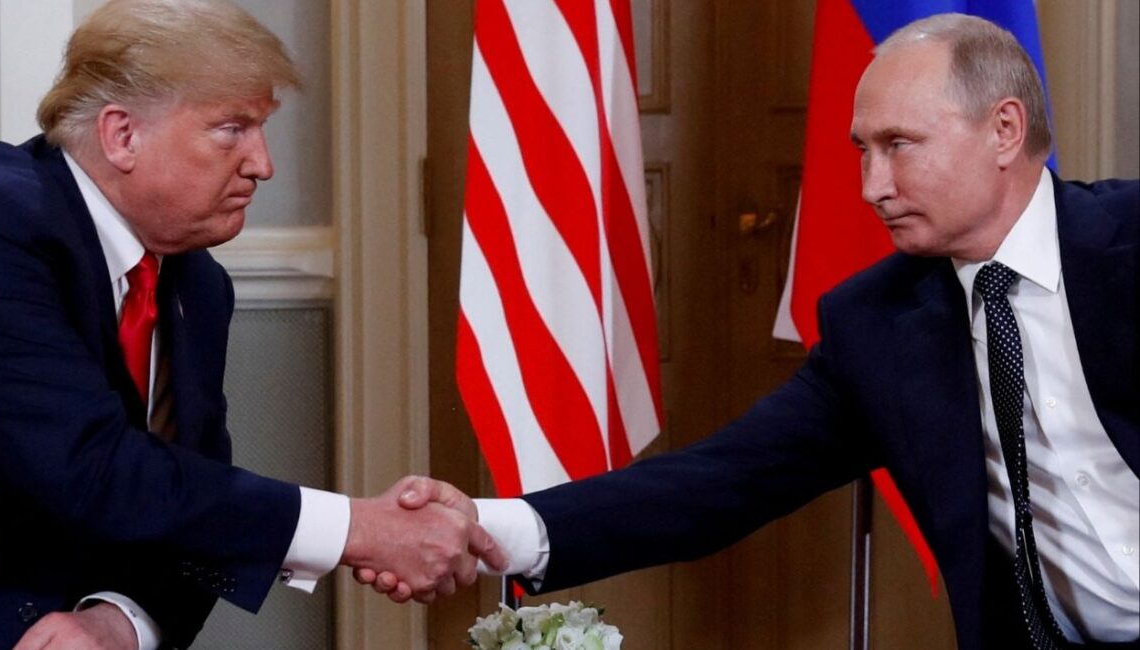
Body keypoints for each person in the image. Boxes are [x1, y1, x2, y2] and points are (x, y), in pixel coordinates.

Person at [370, 13, 1139, 649]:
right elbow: (723, 481)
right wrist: (492, 524)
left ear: (1004, 129)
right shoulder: (876, 323)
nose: (871, 187)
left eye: (899, 145)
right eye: (861, 151)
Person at [0, 1, 505, 648]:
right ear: (121, 135)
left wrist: (119, 622)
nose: (262, 164)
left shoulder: (197, 284)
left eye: (261, 129)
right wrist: (358, 528)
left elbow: (191, 507)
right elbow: (93, 466)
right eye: (232, 129)